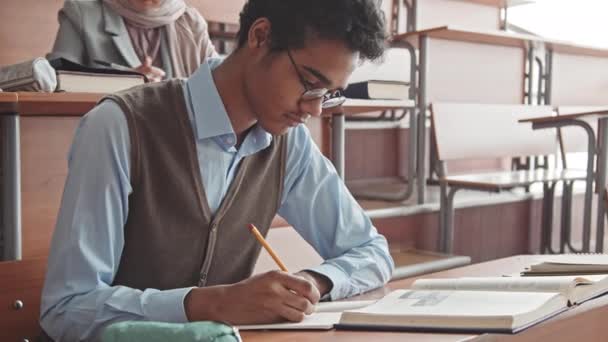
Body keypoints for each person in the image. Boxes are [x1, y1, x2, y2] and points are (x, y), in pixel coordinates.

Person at [40, 0, 394, 340]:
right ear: (261, 36)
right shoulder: (119, 126)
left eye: (329, 94)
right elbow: (67, 309)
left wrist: (311, 283)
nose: (315, 109)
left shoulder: (290, 143)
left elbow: (371, 251)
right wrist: (213, 304)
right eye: (311, 83)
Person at [48, 0, 217, 81]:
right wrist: (124, 84)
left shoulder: (190, 20)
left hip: (179, 136)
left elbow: (218, 80)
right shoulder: (82, 12)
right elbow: (55, 81)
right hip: (109, 132)